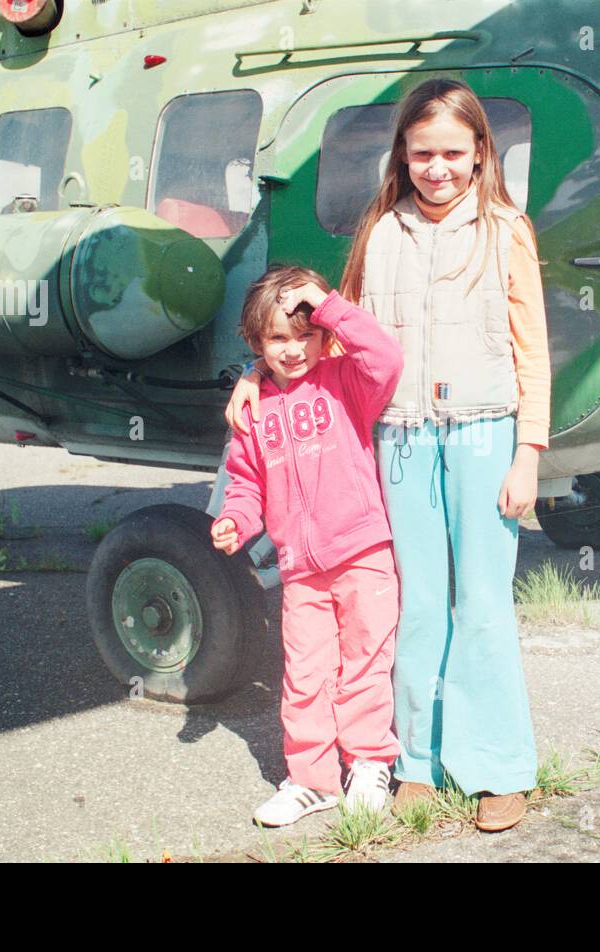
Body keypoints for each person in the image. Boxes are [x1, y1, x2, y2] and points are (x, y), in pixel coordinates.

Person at [228, 78, 551, 832]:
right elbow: (326, 337)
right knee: (414, 608)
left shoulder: (507, 229)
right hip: (401, 443)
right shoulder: (380, 235)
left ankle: (499, 767)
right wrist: (252, 374)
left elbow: (532, 351)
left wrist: (528, 451)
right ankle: (414, 762)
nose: (437, 167)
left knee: (481, 603)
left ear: (479, 154)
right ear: (401, 157)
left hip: (482, 432)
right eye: (421, 153)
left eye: (451, 153)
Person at [212, 264, 404, 827]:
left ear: (324, 334)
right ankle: (312, 780)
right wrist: (235, 519)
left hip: (363, 553)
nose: (294, 350)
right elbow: (246, 482)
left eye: (306, 336)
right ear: (256, 343)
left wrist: (327, 304)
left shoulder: (347, 381)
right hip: (300, 568)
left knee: (365, 663)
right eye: (278, 339)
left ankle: (369, 762)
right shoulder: (251, 409)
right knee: (305, 674)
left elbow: (386, 357)